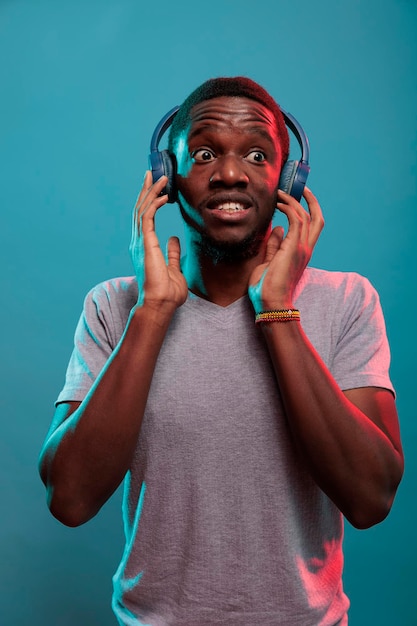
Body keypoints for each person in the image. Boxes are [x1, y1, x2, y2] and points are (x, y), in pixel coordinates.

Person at [39, 77, 404, 626]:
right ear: (167, 177)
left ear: (288, 179)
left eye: (257, 155)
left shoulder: (348, 300)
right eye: (205, 153)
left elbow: (371, 498)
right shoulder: (115, 307)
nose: (230, 173)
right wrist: (153, 313)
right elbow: (69, 499)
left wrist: (276, 310)